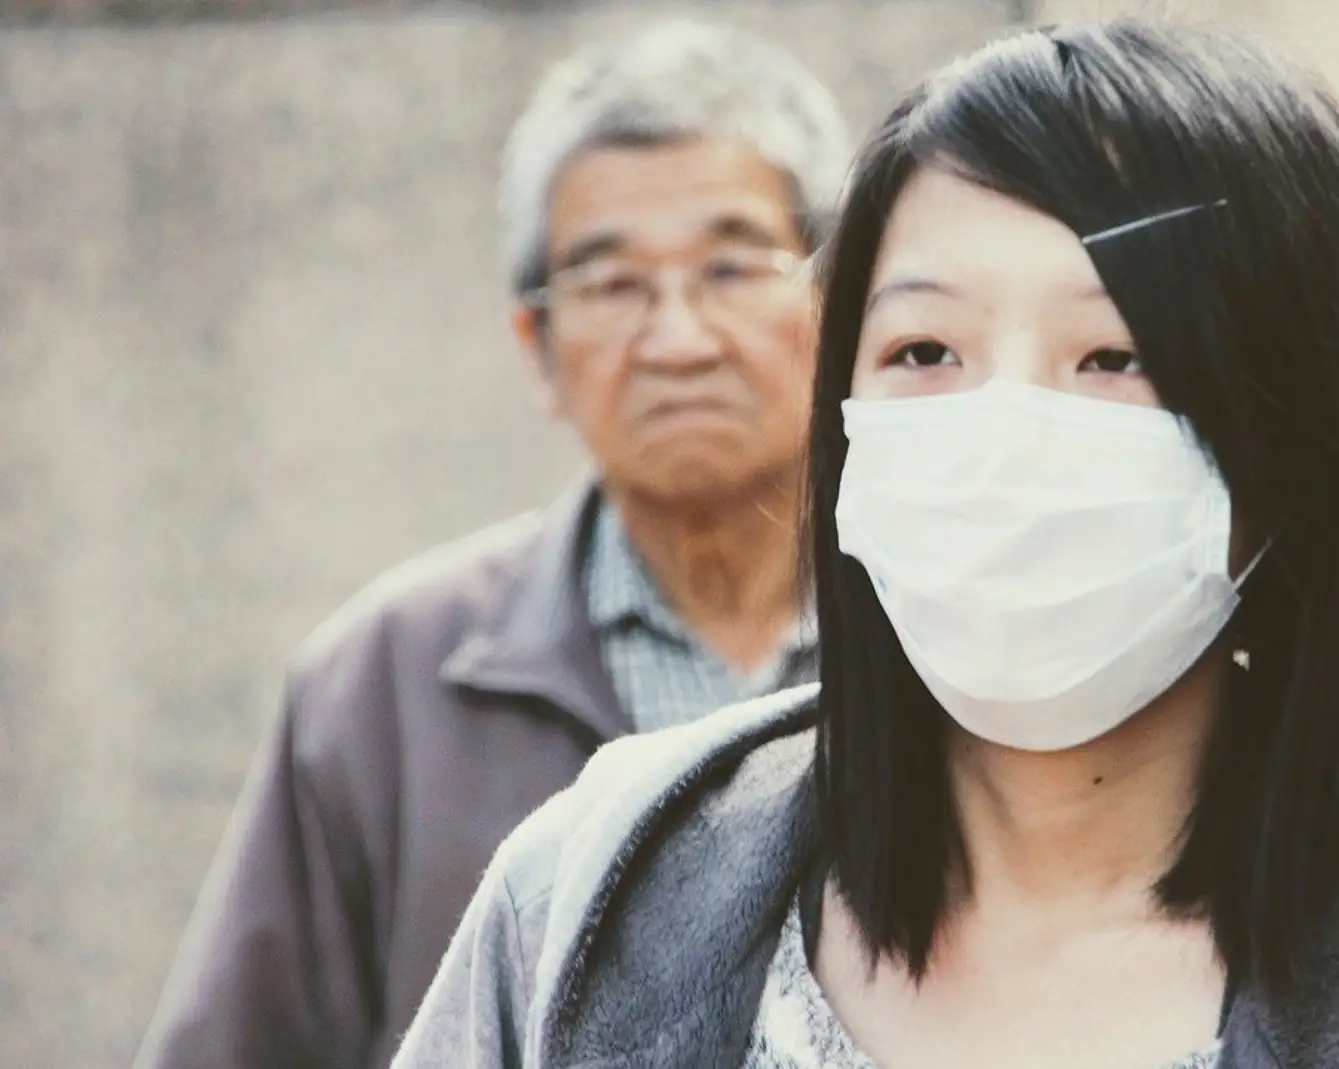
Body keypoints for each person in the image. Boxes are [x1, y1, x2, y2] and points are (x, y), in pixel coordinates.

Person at [391, 19, 1339, 1069]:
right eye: (924, 352)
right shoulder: (598, 893)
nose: (1004, 434)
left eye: (1115, 355)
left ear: (1299, 444)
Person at [133, 21, 847, 1069]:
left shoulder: (945, 638)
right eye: (611, 285)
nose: (679, 338)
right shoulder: (384, 682)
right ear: (537, 350)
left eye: (732, 267)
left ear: (831, 308)